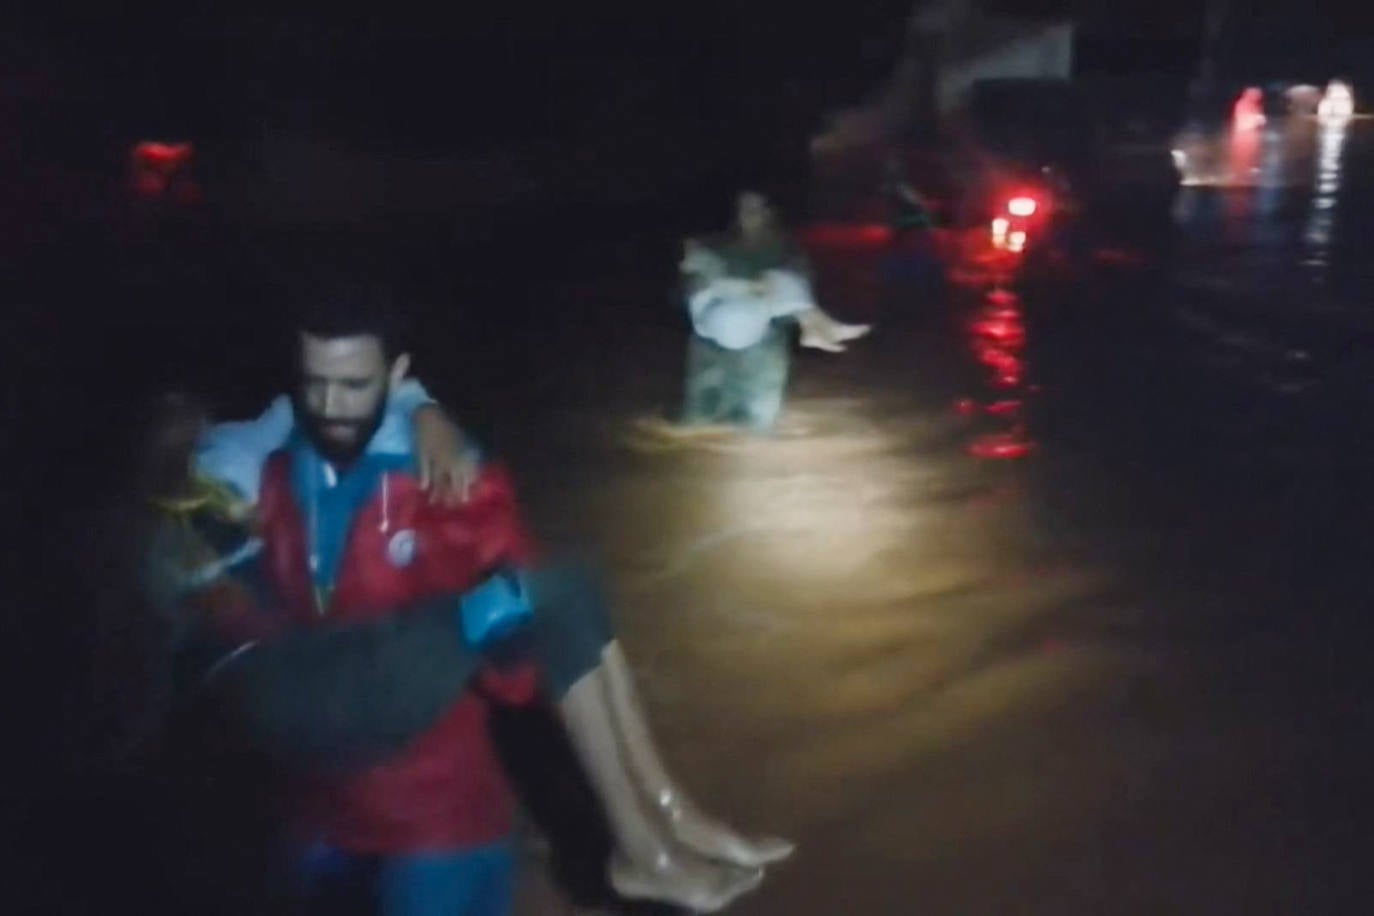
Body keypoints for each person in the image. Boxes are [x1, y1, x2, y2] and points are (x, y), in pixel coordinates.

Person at [148, 278, 789, 914]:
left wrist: (422, 407)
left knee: (565, 589)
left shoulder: (274, 431)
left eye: (351, 385)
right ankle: (646, 844)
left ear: (393, 374)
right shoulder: (216, 468)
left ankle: (664, 816)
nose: (330, 404)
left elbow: (310, 408)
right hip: (297, 689)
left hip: (353, 675)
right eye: (315, 384)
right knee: (547, 595)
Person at [678, 190, 870, 433]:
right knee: (695, 424)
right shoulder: (715, 244)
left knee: (759, 427)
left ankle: (816, 326)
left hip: (763, 338)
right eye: (743, 209)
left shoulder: (787, 250)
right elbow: (688, 287)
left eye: (756, 208)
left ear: (770, 212)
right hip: (712, 340)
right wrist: (738, 285)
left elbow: (798, 287)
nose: (748, 215)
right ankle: (818, 326)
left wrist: (759, 289)